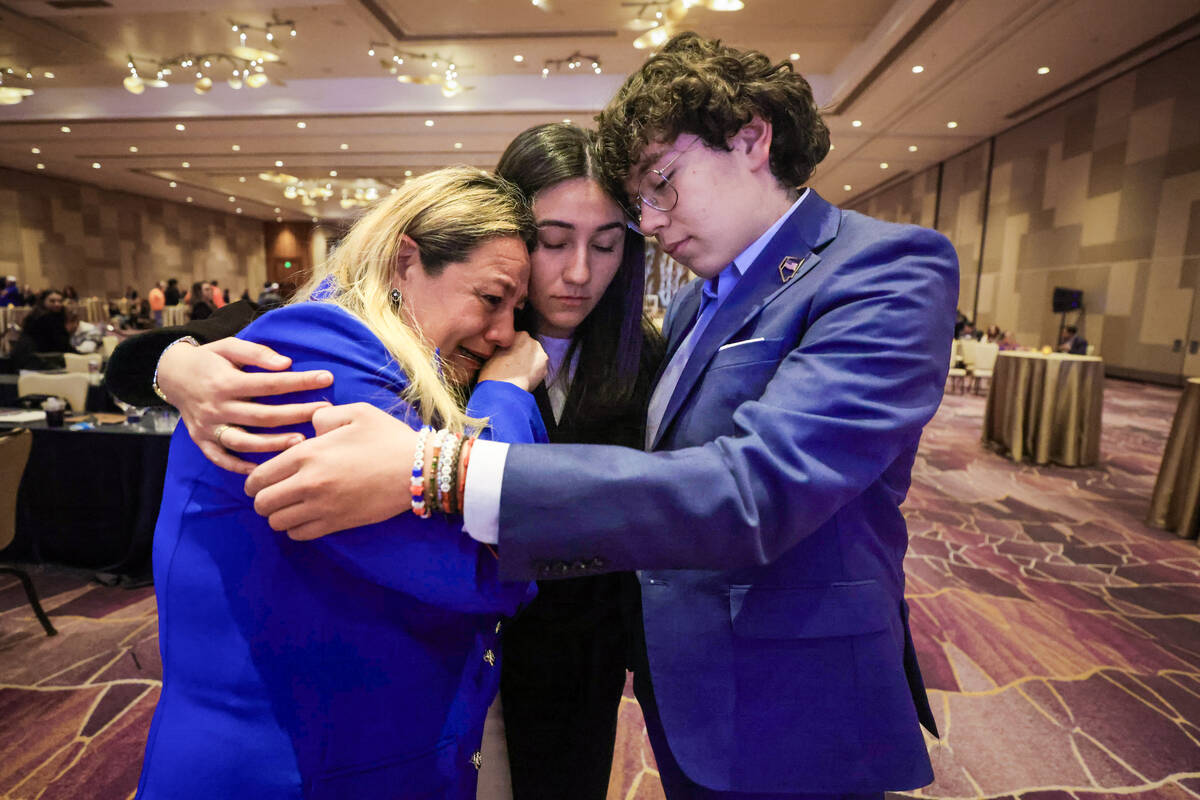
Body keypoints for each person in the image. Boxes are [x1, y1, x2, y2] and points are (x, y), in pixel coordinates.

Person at [239, 32, 958, 799]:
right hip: (652, 680)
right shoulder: (695, 300)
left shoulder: (885, 267)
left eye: (662, 186)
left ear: (752, 138)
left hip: (789, 692)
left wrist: (441, 468)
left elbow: (753, 489)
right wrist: (172, 361)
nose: (650, 222)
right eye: (637, 202)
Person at [106, 123, 665, 800]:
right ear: (506, 230)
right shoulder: (345, 342)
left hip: (559, 670)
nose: (578, 272)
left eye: (606, 245)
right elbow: (487, 554)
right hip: (360, 720)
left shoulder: (642, 357)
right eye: (551, 242)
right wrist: (176, 364)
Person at [134, 166, 549, 800]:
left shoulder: (373, 355)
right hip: (290, 770)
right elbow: (497, 561)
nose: (503, 334)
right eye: (492, 299)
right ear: (404, 261)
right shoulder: (317, 360)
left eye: (516, 310)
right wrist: (508, 392)